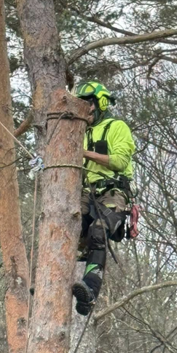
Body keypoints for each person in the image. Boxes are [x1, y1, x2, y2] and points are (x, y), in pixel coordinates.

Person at [72, 81, 135, 316]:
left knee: (98, 231)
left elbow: (119, 161)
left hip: (113, 191)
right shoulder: (78, 129)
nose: (84, 110)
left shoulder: (117, 127)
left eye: (88, 103)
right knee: (67, 227)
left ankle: (89, 288)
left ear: (100, 103)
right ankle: (53, 279)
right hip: (86, 191)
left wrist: (83, 152)